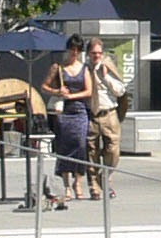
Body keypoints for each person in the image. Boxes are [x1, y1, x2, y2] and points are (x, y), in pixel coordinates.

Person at [42, 35, 93, 203]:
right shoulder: (58, 68)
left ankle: (78, 182)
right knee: (64, 147)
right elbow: (44, 86)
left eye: (77, 50)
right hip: (63, 112)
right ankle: (67, 186)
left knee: (80, 145)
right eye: (72, 49)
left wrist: (72, 96)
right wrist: (57, 92)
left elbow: (88, 91)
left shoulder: (84, 68)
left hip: (79, 111)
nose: (74, 53)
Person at [84, 37, 126, 198]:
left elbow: (120, 91)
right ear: (88, 53)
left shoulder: (108, 67)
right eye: (94, 53)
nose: (97, 56)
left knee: (113, 150)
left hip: (109, 113)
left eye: (99, 53)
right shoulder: (84, 69)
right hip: (91, 114)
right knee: (91, 152)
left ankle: (106, 177)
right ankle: (94, 186)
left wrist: (106, 77)